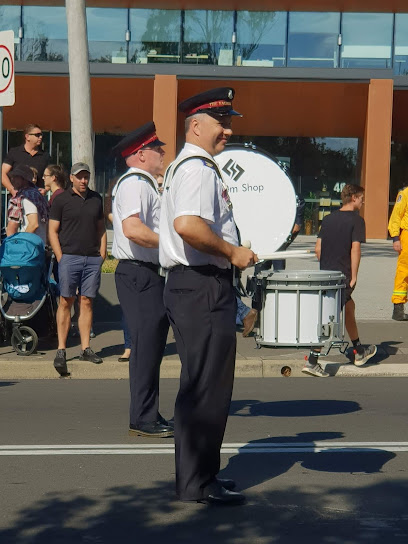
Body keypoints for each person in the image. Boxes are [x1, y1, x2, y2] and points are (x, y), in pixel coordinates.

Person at [159, 87, 257, 505]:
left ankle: (200, 477)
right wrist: (233, 252)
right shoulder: (198, 168)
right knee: (206, 388)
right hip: (200, 286)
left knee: (202, 386)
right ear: (196, 126)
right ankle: (197, 483)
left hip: (194, 285)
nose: (229, 131)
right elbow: (188, 225)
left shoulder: (192, 165)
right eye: (222, 123)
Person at [111, 122, 173, 438]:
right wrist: (169, 243)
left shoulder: (145, 183)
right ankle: (142, 418)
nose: (162, 151)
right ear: (140, 154)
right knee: (146, 347)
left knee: (151, 347)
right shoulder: (134, 184)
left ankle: (149, 413)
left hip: (145, 273)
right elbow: (132, 229)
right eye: (156, 148)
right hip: (138, 272)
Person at [302, 184, 377, 377]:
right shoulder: (357, 221)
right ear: (353, 198)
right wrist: (354, 275)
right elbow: (355, 249)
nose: (363, 201)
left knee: (349, 307)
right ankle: (312, 360)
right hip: (342, 276)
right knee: (329, 316)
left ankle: (358, 350)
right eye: (361, 198)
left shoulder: (327, 219)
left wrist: (327, 264)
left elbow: (318, 249)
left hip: (326, 275)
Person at [48, 162, 106, 376]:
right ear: (71, 178)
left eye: (86, 177)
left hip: (92, 258)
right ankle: (61, 349)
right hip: (69, 258)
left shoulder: (96, 198)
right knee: (66, 300)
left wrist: (102, 254)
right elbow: (52, 231)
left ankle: (85, 348)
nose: (83, 180)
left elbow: (101, 228)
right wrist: (61, 257)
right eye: (80, 176)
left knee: (87, 301)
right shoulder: (61, 200)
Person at [104, 176, 131, 361]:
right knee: (128, 309)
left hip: (151, 262)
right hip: (126, 261)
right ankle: (129, 346)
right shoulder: (115, 212)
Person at [2, 124, 51, 196]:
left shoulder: (45, 156)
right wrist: (12, 190)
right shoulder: (14, 152)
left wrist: (46, 190)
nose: (40, 137)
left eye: (41, 135)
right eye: (37, 135)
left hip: (36, 198)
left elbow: (52, 175)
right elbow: (2, 173)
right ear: (27, 136)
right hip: (18, 198)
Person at [6, 165, 49, 244]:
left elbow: (33, 224)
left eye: (16, 177)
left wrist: (21, 243)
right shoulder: (37, 194)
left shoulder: (27, 197)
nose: (12, 179)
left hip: (30, 247)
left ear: (24, 179)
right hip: (39, 244)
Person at [388, 184, 408, 320]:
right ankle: (398, 308)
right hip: (406, 235)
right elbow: (396, 216)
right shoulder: (405, 194)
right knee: (404, 270)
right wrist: (396, 238)